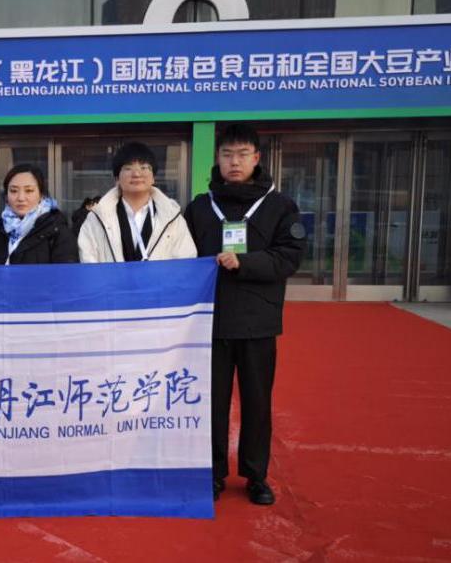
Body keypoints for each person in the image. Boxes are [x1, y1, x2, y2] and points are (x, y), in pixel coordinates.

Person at [184, 124, 304, 506]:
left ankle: (256, 475)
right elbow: (181, 256)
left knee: (256, 403)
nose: (234, 162)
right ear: (217, 159)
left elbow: (289, 257)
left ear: (256, 158)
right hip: (209, 323)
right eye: (227, 155)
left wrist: (245, 262)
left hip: (257, 322)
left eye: (242, 154)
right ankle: (213, 473)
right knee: (211, 404)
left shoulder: (280, 206)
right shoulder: (200, 207)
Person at [78, 142, 196, 262]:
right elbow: (88, 263)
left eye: (144, 167)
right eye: (128, 168)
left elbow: (186, 262)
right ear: (117, 178)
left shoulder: (173, 219)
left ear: (153, 178)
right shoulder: (96, 219)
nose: (136, 174)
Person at [0, 164, 78, 264]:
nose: (21, 198)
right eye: (14, 191)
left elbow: (65, 272)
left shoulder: (58, 232)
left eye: (29, 190)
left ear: (41, 195)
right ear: (6, 196)